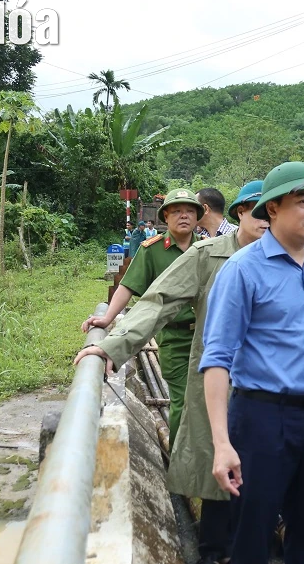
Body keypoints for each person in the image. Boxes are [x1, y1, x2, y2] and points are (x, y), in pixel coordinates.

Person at [74, 180, 268, 564]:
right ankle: (214, 548)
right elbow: (155, 300)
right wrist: (112, 343)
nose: (265, 219)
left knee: (261, 464)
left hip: (269, 385)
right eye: (257, 211)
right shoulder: (208, 255)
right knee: (213, 451)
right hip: (215, 372)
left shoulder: (293, 258)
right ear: (240, 213)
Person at [199, 161, 304, 564]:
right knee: (252, 535)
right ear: (272, 209)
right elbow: (216, 359)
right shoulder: (243, 269)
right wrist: (221, 444)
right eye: (302, 201)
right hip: (261, 420)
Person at [81, 187, 203, 449]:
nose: (184, 216)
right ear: (166, 217)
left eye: (190, 211)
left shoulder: (207, 249)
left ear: (198, 217)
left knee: (208, 399)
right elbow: (128, 286)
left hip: (208, 335)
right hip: (174, 336)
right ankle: (181, 462)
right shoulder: (152, 250)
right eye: (177, 211)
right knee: (182, 400)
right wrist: (107, 318)